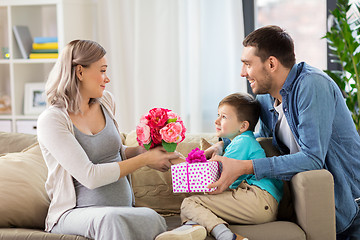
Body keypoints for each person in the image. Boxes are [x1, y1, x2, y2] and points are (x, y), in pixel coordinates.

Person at [205, 25, 360, 239]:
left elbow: (313, 158)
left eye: (247, 64)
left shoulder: (311, 86)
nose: (243, 73)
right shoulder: (266, 96)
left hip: (348, 210)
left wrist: (245, 167)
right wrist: (223, 144)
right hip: (307, 204)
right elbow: (263, 139)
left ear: (271, 63)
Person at [37, 39, 180, 240]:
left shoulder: (106, 102)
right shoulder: (52, 120)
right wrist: (145, 161)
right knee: (110, 219)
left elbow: (113, 152)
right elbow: (90, 176)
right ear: (80, 72)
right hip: (73, 214)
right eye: (102, 70)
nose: (107, 79)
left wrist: (144, 151)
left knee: (151, 217)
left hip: (119, 209)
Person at [156, 92, 283, 240]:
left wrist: (173, 158)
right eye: (218, 115)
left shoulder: (242, 143)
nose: (216, 121)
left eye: (223, 117)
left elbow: (212, 179)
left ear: (243, 126)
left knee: (189, 203)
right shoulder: (239, 142)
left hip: (259, 199)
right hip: (260, 201)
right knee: (194, 208)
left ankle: (226, 236)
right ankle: (191, 227)